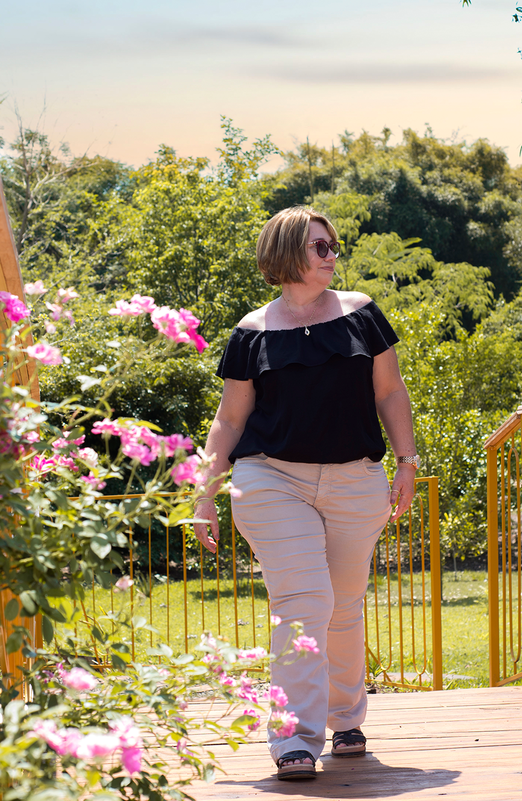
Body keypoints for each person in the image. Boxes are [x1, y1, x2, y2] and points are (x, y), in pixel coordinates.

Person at [192, 206, 419, 781]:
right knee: (304, 603)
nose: (331, 256)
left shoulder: (361, 313)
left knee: (343, 606)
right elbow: (228, 420)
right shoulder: (252, 332)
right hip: (271, 478)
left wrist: (407, 460)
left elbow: (390, 393)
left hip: (355, 479)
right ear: (288, 252)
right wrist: (204, 494)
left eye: (333, 246)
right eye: (320, 247)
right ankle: (292, 737)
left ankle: (346, 719)